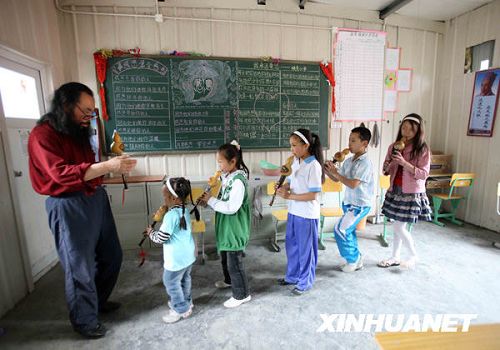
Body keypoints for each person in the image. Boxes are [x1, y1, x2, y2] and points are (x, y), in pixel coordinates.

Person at [27, 82, 137, 338]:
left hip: (94, 197)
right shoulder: (42, 135)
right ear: (66, 105)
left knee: (112, 255)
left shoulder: (79, 130)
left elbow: (90, 166)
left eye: (93, 112)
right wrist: (107, 167)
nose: (89, 117)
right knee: (80, 267)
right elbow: (60, 174)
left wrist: (109, 167)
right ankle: (85, 321)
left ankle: (96, 302)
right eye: (85, 111)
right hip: (68, 203)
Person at [199, 140, 252, 308]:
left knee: (234, 262)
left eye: (221, 162)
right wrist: (210, 191)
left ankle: (241, 294)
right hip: (226, 226)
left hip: (234, 227)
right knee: (225, 257)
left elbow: (231, 207)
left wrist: (211, 200)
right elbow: (221, 194)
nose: (219, 165)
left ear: (233, 161)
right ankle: (229, 281)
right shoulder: (227, 177)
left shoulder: (238, 181)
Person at [378, 113, 432, 269]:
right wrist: (389, 164)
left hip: (412, 193)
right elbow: (385, 171)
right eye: (404, 128)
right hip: (395, 189)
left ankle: (413, 255)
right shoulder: (394, 146)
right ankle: (395, 257)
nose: (406, 132)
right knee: (396, 225)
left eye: (410, 130)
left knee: (398, 227)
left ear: (418, 132)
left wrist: (404, 163)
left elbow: (424, 174)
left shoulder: (422, 149)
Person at [276, 129, 324, 295]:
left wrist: (290, 196)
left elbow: (313, 194)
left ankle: (305, 282)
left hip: (307, 215)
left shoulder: (314, 166)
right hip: (294, 211)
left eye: (295, 145)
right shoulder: (296, 162)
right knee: (292, 246)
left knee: (306, 250)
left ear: (306, 146)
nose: (292, 149)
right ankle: (293, 276)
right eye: (291, 145)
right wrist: (283, 188)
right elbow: (291, 181)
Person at [145, 177, 198, 324]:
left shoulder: (170, 216)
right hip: (188, 256)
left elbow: (161, 237)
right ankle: (187, 301)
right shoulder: (184, 210)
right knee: (185, 279)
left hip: (176, 259)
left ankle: (180, 309)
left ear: (174, 198)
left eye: (165, 197)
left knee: (171, 282)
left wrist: (151, 233)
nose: (163, 199)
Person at [325, 127, 374, 273]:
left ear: (364, 143)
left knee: (341, 230)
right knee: (348, 231)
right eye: (349, 140)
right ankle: (356, 259)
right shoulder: (348, 161)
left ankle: (353, 260)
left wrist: (336, 173)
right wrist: (329, 170)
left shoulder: (365, 163)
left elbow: (353, 184)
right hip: (349, 203)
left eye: (353, 140)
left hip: (359, 205)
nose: (349, 143)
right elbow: (337, 179)